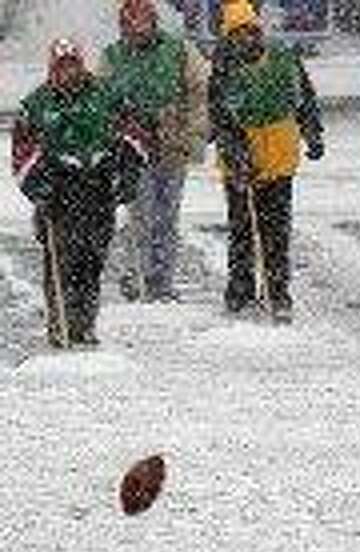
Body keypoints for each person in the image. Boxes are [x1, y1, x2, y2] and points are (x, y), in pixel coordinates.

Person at [10, 38, 146, 348]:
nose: (68, 72)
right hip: (58, 192)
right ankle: (60, 323)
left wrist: (128, 173)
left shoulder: (107, 95)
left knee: (92, 261)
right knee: (60, 261)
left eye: (73, 64)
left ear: (81, 65)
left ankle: (85, 323)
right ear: (53, 69)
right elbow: (22, 152)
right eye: (62, 66)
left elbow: (134, 136)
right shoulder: (36, 104)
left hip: (99, 188)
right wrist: (37, 185)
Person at [208, 0, 324, 322]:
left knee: (276, 231)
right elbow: (218, 117)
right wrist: (235, 154)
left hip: (280, 156)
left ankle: (278, 290)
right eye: (237, 33)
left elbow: (304, 99)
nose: (246, 38)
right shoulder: (222, 68)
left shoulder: (284, 60)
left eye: (250, 31)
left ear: (258, 30)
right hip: (240, 160)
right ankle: (240, 290)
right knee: (242, 228)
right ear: (229, 38)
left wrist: (312, 133)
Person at [99, 0, 209, 303]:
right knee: (140, 215)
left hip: (173, 143)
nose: (136, 30)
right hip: (134, 147)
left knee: (167, 216)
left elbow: (200, 91)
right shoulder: (112, 57)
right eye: (130, 25)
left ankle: (162, 279)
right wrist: (116, 136)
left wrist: (193, 134)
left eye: (142, 23)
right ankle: (138, 274)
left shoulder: (179, 50)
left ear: (153, 22)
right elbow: (102, 101)